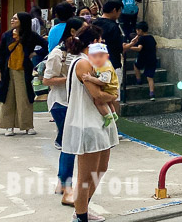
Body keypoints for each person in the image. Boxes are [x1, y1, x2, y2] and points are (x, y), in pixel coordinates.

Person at [63, 24, 119, 222]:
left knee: (101, 168)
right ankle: (80, 216)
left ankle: (82, 208)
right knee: (86, 175)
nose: (103, 44)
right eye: (100, 41)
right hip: (87, 122)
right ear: (93, 42)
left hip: (98, 122)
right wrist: (113, 95)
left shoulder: (91, 62)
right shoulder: (82, 63)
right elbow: (96, 95)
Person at [41, 16, 85, 205]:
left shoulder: (80, 52)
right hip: (60, 104)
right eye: (83, 30)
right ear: (73, 32)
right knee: (70, 144)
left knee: (70, 143)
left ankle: (63, 182)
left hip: (75, 103)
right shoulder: (58, 54)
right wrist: (72, 78)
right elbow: (46, 80)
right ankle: (65, 184)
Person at [0, 12, 48, 135]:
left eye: (15, 19)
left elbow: (46, 45)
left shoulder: (31, 36)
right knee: (8, 97)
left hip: (24, 70)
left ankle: (27, 125)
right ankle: (9, 126)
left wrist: (35, 54)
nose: (12, 20)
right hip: (7, 70)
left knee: (24, 98)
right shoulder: (6, 36)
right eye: (12, 18)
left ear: (22, 21)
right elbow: (0, 54)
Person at [91, 0, 125, 115]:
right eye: (119, 11)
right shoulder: (113, 27)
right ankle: (114, 128)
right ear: (114, 10)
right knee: (114, 96)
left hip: (94, 65)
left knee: (98, 95)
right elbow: (118, 48)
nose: (119, 14)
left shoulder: (93, 24)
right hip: (112, 65)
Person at [81, 43, 120, 127]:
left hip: (109, 89)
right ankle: (113, 114)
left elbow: (103, 81)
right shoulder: (101, 65)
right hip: (109, 88)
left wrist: (90, 78)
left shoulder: (106, 68)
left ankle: (107, 115)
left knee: (98, 101)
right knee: (109, 102)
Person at [125, 21, 158, 100]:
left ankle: (138, 80)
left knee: (136, 66)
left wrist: (129, 47)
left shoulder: (142, 38)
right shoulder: (151, 37)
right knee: (150, 77)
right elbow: (156, 47)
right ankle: (152, 94)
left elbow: (139, 48)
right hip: (152, 59)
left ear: (140, 30)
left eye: (137, 30)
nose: (136, 32)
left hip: (143, 58)